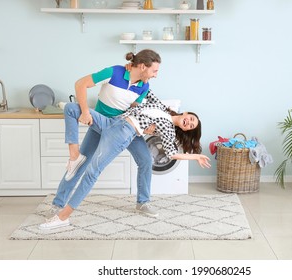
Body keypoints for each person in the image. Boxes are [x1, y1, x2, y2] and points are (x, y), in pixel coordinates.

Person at [39, 91, 211, 230]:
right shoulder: (162, 107)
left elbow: (172, 154)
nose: (189, 122)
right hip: (114, 122)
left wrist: (196, 156)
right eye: (191, 119)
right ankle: (60, 200)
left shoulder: (168, 130)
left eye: (190, 126)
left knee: (144, 161)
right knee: (71, 109)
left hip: (127, 133)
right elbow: (144, 91)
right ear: (186, 113)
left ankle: (142, 202)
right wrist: (133, 68)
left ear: (185, 129)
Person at [48, 49, 161, 220]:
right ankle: (58, 204)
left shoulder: (144, 87)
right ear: (143, 67)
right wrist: (85, 112)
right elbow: (81, 84)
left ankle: (143, 202)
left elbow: (134, 111)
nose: (155, 75)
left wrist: (146, 126)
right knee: (80, 164)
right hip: (100, 124)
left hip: (123, 128)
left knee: (146, 159)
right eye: (154, 71)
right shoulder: (115, 72)